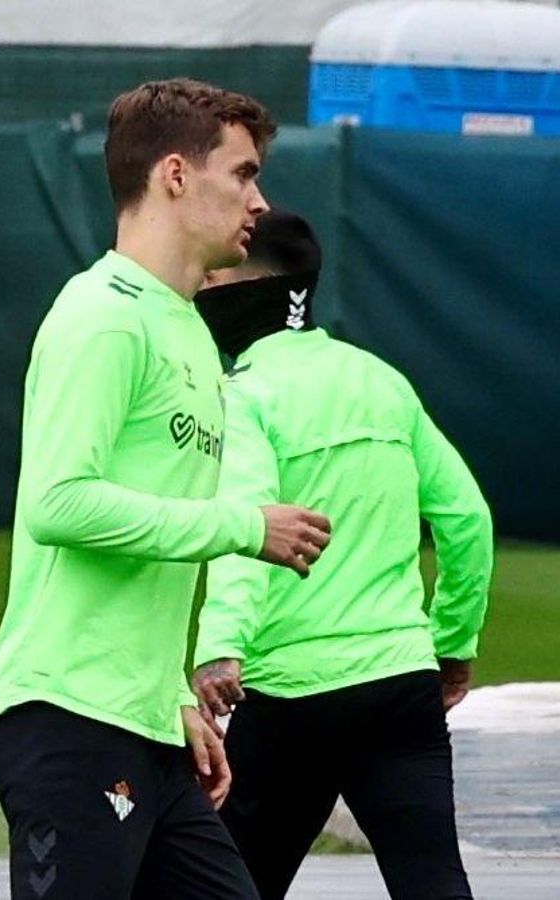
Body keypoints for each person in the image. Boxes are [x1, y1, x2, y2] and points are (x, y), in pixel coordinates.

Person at [0, 78, 333, 899]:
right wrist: (244, 526)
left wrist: (171, 696)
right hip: (68, 721)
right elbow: (59, 503)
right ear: (175, 175)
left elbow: (144, 535)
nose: (259, 199)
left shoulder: (186, 331)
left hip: (144, 725)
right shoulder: (102, 313)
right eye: (242, 175)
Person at [190, 209, 494, 900]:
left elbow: (247, 525)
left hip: (290, 692)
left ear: (249, 285)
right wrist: (452, 643)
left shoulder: (245, 397)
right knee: (433, 881)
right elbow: (467, 520)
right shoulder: (382, 381)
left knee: (233, 886)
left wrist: (221, 645)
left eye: (215, 276)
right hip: (399, 684)